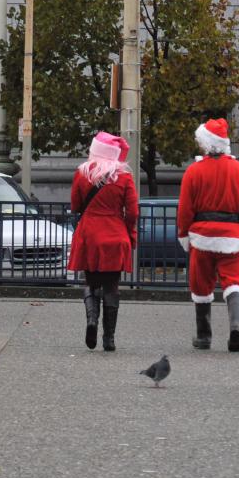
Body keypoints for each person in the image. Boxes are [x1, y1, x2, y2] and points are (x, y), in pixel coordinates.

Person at [176, 118, 239, 352]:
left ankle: (204, 337)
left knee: (201, 287)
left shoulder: (194, 171)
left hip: (202, 237)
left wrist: (184, 235)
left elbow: (185, 209)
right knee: (235, 284)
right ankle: (235, 327)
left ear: (205, 143)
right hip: (234, 237)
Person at [67, 132, 138, 351]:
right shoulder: (124, 177)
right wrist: (128, 231)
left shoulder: (82, 173)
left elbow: (76, 204)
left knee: (91, 281)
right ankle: (109, 338)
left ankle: (91, 322)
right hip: (115, 234)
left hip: (90, 234)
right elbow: (133, 211)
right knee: (111, 285)